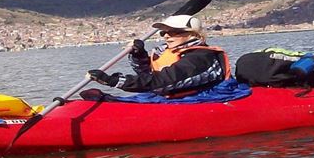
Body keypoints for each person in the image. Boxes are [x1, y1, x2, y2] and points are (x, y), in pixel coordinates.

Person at [86, 14, 231, 97]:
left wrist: (113, 80)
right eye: (164, 32)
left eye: (174, 32)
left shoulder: (201, 56)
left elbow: (163, 81)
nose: (167, 36)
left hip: (201, 100)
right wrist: (139, 55)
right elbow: (148, 74)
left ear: (193, 34)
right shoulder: (167, 51)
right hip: (170, 97)